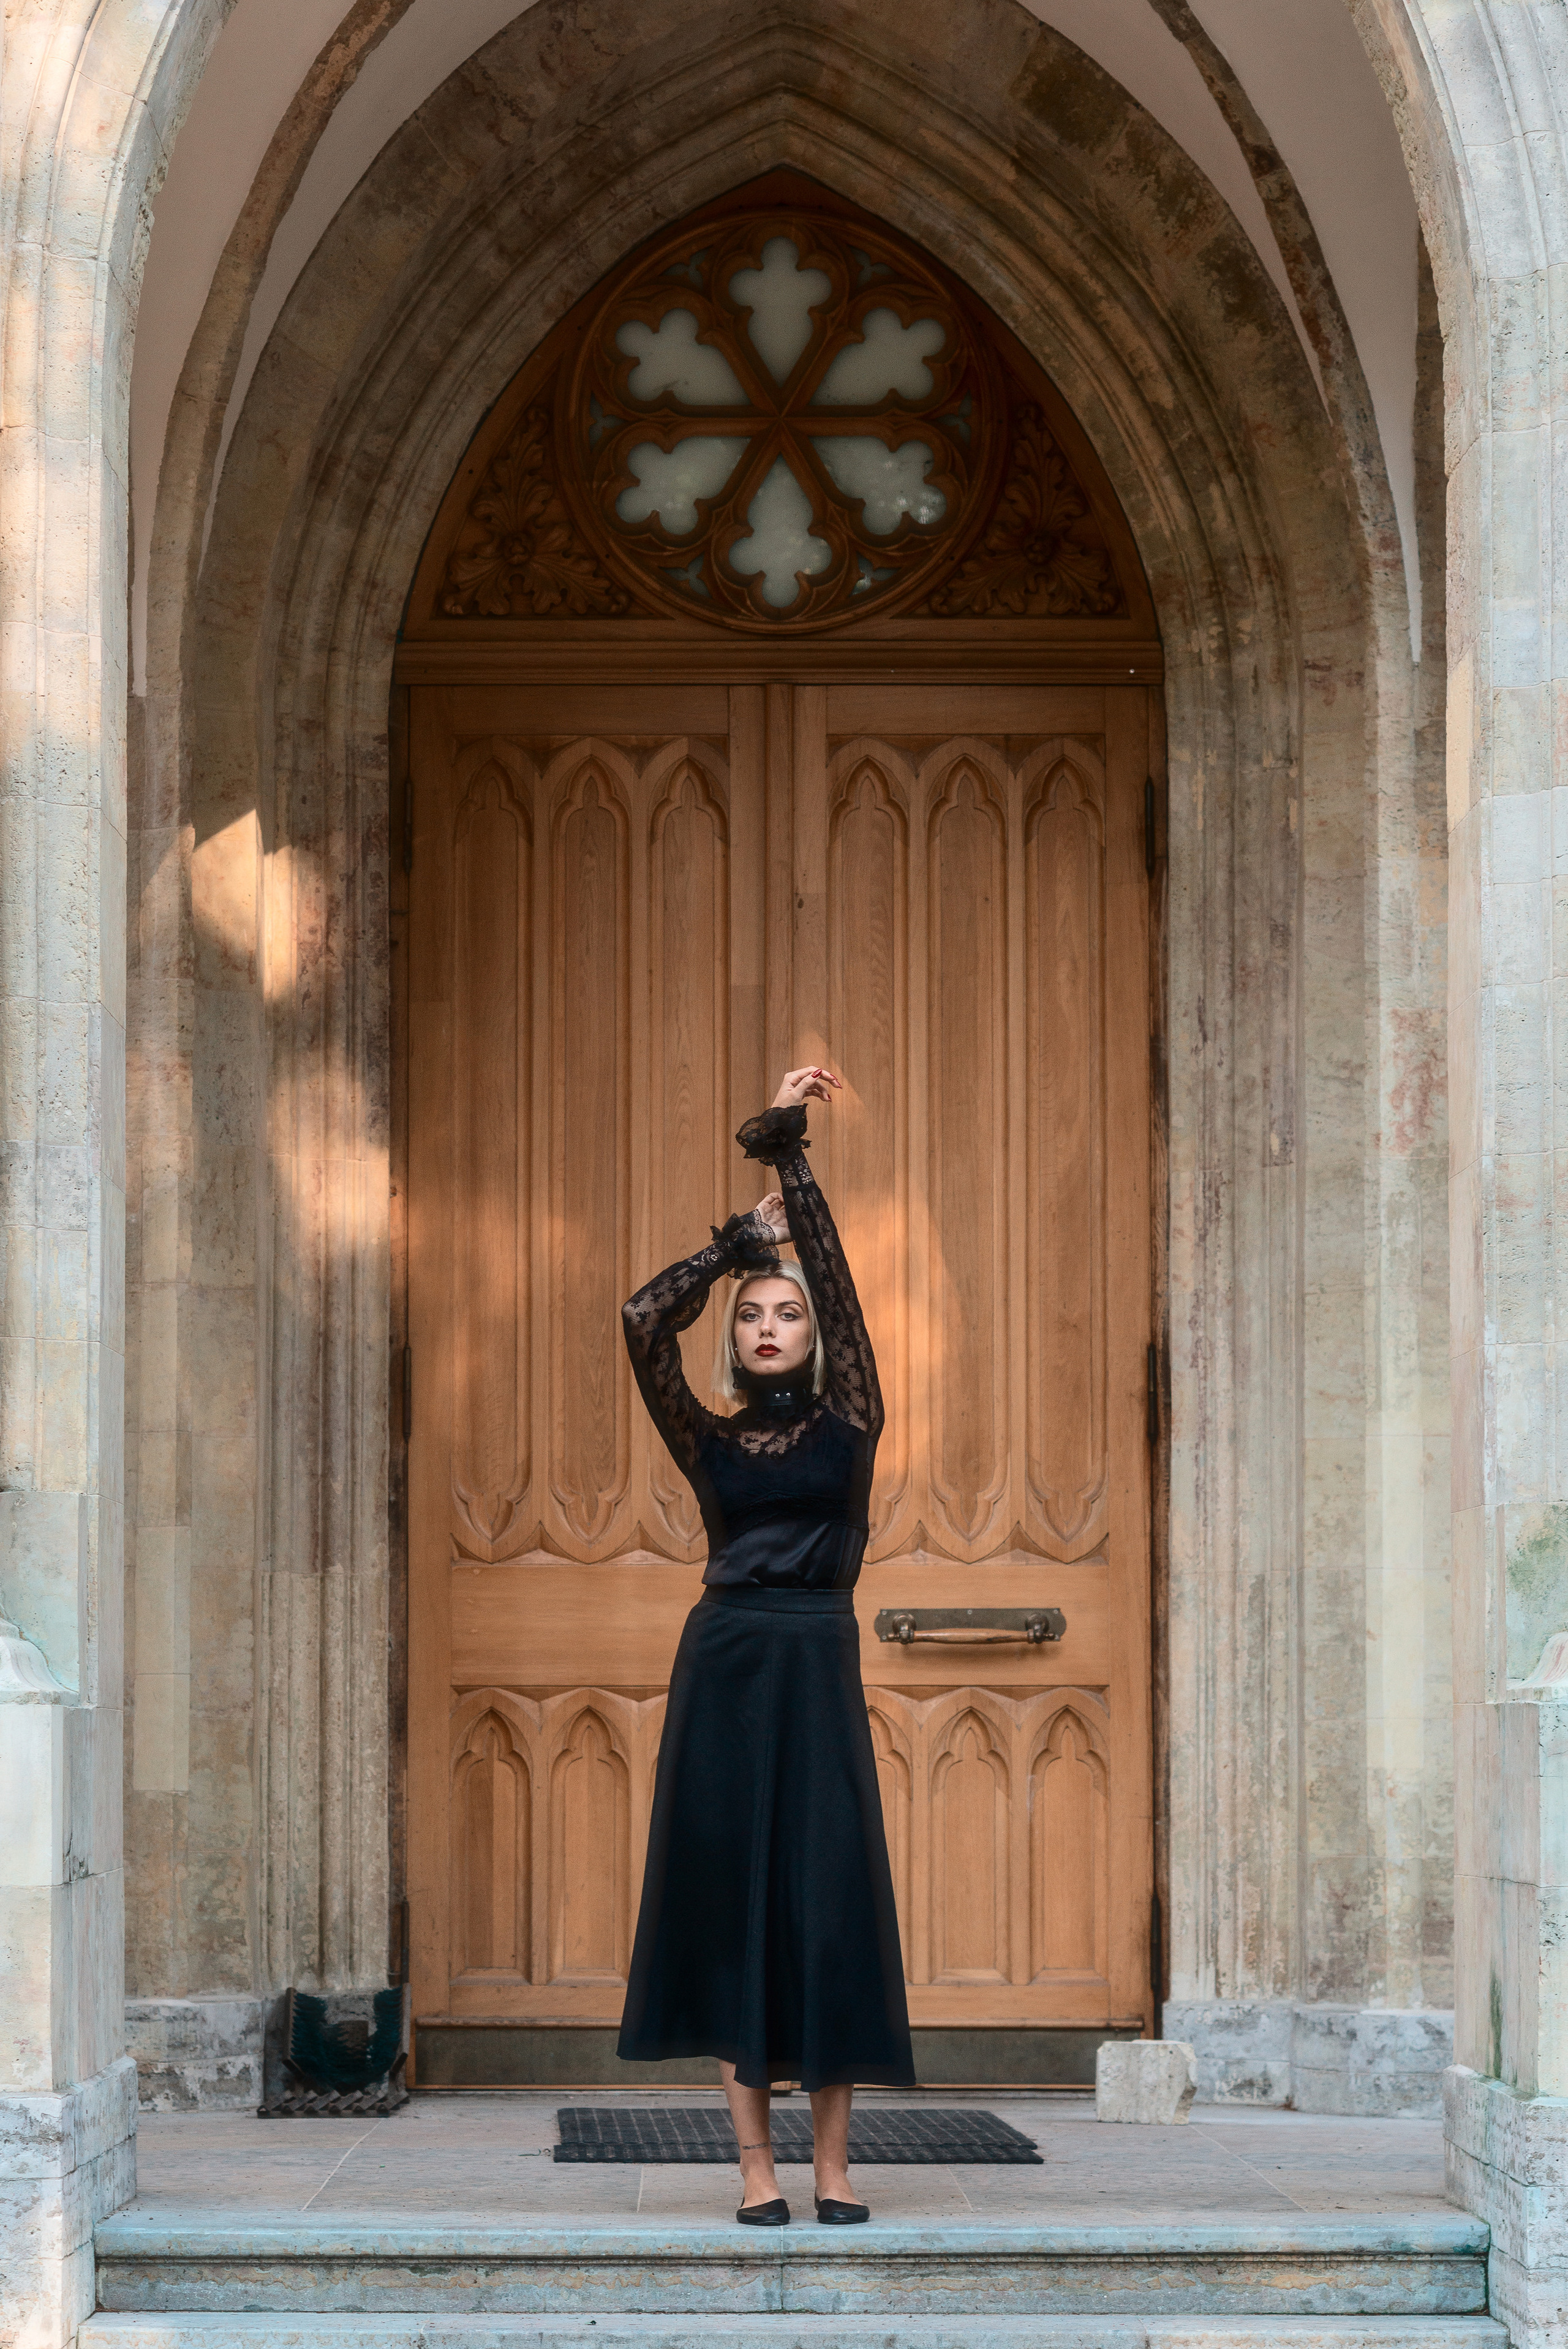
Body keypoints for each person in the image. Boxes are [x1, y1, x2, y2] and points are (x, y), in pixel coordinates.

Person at [617, 1064, 914, 2224]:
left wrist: (791, 1159)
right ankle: (754, 2169)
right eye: (755, 1313)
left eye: (784, 1310)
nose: (773, 1322)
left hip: (818, 1668)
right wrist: (735, 1245)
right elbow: (644, 1319)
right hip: (728, 1668)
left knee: (829, 1908)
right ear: (736, 1341)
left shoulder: (853, 1424)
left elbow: (837, 1286)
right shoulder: (710, 1442)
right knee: (735, 1905)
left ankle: (834, 2168)